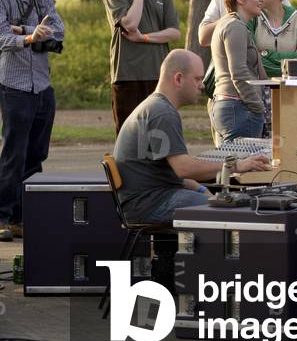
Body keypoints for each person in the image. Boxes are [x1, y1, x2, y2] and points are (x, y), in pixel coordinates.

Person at [114, 49, 271, 226]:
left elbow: (174, 173)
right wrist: (237, 165)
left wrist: (204, 191)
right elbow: (184, 169)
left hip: (147, 200)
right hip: (149, 204)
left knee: (226, 203)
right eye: (197, 79)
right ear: (178, 79)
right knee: (235, 212)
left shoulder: (156, 107)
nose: (202, 85)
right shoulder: (162, 113)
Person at [0, 0, 65, 242]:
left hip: (43, 87)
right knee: (13, 154)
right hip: (14, 87)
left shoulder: (44, 0)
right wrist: (30, 38)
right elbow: (3, 39)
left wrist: (27, 30)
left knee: (36, 156)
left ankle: (22, 217)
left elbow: (59, 31)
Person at [103, 0, 180, 134]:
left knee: (158, 139)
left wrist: (144, 37)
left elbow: (174, 32)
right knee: (129, 138)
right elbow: (129, 23)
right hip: (128, 75)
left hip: (159, 75)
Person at [210, 0, 268, 142]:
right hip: (239, 108)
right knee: (245, 165)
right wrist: (257, 107)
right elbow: (239, 72)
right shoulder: (234, 26)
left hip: (231, 107)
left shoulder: (231, 24)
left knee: (231, 165)